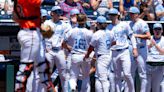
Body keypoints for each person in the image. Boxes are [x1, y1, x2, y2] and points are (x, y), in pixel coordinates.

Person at [12, 0, 52, 92]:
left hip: (27, 31)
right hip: (31, 33)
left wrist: (27, 18)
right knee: (26, 66)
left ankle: (48, 89)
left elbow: (14, 17)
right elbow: (45, 1)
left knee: (43, 67)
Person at [106, 8, 138, 92]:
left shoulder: (124, 24)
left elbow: (131, 36)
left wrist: (134, 48)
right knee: (117, 76)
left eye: (113, 15)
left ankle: (132, 90)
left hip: (124, 51)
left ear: (117, 15)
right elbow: (108, 42)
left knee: (127, 74)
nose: (112, 17)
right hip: (114, 52)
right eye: (110, 15)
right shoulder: (108, 28)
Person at [41, 6, 70, 92]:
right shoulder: (46, 23)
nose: (58, 14)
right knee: (46, 74)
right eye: (56, 12)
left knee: (64, 74)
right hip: (49, 50)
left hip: (59, 50)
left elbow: (70, 35)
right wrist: (44, 47)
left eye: (59, 12)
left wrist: (64, 41)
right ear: (52, 13)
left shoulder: (64, 24)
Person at [62, 14, 93, 92]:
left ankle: (72, 89)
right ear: (85, 21)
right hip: (85, 55)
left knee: (73, 77)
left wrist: (69, 48)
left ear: (77, 21)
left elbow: (63, 43)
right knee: (86, 77)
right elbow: (93, 45)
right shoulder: (89, 32)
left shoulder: (71, 31)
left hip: (75, 55)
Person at [84, 16, 115, 92]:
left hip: (102, 57)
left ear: (98, 24)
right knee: (100, 76)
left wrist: (87, 55)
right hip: (108, 55)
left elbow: (91, 47)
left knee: (103, 78)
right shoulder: (110, 32)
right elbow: (114, 42)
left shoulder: (97, 34)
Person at [129, 6, 151, 92]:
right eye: (130, 14)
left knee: (142, 73)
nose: (131, 15)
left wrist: (136, 35)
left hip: (141, 49)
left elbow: (148, 36)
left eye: (132, 14)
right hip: (132, 49)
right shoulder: (130, 24)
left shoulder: (142, 23)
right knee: (130, 73)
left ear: (137, 14)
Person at [146, 23, 164, 92]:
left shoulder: (163, 39)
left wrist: (155, 45)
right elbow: (145, 51)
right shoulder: (149, 39)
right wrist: (150, 45)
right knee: (147, 87)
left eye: (159, 29)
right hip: (148, 64)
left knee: (156, 88)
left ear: (162, 30)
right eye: (156, 29)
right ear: (153, 30)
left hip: (159, 65)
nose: (157, 31)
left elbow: (163, 52)